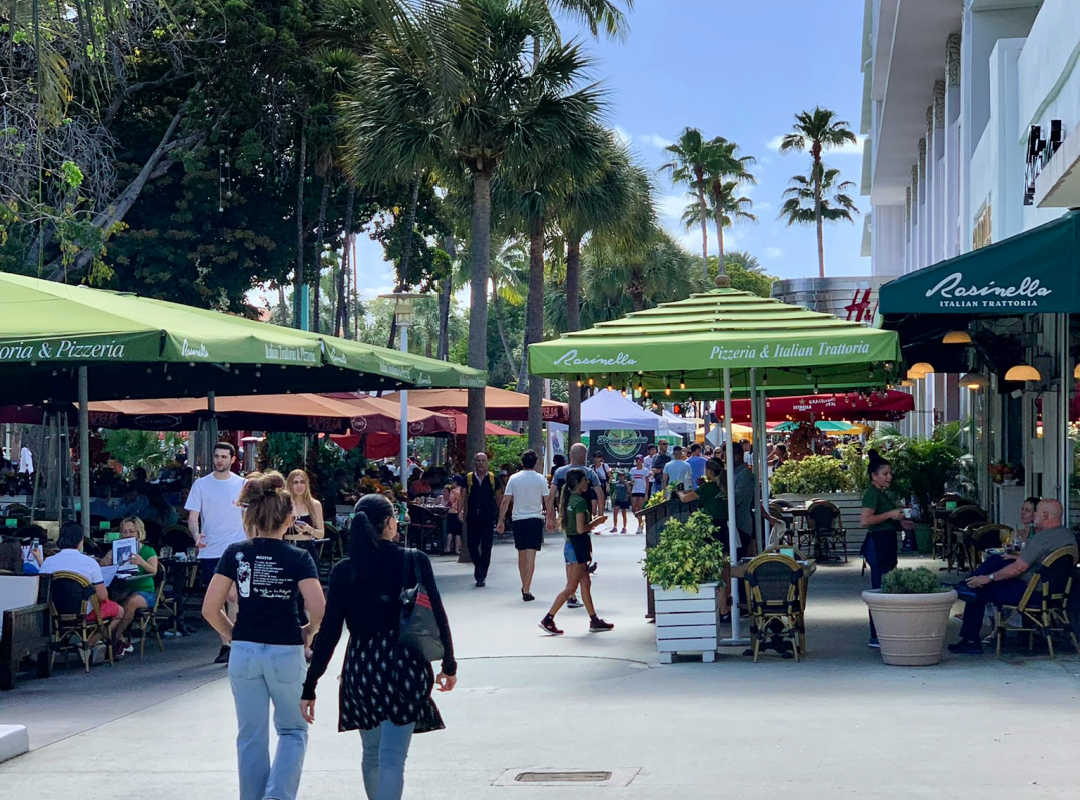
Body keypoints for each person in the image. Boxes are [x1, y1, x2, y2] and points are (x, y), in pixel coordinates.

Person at [301, 494, 456, 800]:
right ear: (388, 524)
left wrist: (310, 685)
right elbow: (437, 613)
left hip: (362, 667)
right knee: (392, 758)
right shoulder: (414, 560)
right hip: (405, 665)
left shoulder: (345, 570)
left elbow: (330, 632)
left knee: (371, 754)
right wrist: (448, 663)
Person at [202, 471, 325, 800]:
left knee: (250, 736)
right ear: (288, 520)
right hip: (286, 649)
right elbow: (318, 606)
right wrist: (308, 631)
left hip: (245, 650)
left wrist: (232, 637)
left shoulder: (236, 553)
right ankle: (278, 796)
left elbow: (210, 608)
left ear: (252, 515)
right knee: (292, 730)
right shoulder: (298, 557)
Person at [948, 498, 1077, 655]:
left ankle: (970, 640)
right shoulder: (1068, 536)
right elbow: (1053, 562)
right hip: (1055, 594)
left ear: (1045, 515)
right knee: (1000, 559)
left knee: (980, 589)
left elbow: (1018, 569)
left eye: (1036, 511)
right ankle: (967, 586)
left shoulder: (1041, 538)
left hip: (1031, 594)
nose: (1034, 514)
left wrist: (988, 578)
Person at [185, 441, 247, 664]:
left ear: (232, 459)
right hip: (210, 549)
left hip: (236, 548)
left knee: (234, 596)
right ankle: (226, 643)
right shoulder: (201, 485)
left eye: (224, 456)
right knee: (216, 599)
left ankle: (233, 643)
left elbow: (248, 516)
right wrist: (196, 535)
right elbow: (192, 516)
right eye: (217, 456)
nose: (219, 460)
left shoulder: (243, 484)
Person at [539, 469, 614, 635]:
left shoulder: (570, 500)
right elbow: (581, 529)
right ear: (579, 483)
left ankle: (594, 619)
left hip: (571, 545)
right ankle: (548, 618)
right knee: (571, 588)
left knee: (585, 583)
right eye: (585, 481)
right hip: (578, 545)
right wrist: (597, 522)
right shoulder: (579, 501)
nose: (587, 483)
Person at [40, 521, 123, 630]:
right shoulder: (90, 563)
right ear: (81, 541)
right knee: (120, 612)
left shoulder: (48, 562)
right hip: (84, 614)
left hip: (54, 613)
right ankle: (91, 643)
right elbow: (102, 596)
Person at [859, 450, 903, 648]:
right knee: (879, 588)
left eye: (890, 473)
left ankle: (884, 630)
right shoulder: (872, 494)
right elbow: (865, 521)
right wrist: (889, 515)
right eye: (884, 474)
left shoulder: (882, 494)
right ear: (874, 476)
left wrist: (901, 522)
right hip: (878, 543)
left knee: (887, 585)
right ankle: (876, 634)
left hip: (887, 540)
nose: (889, 477)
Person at [496, 449, 553, 602]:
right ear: (536, 463)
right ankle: (527, 587)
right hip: (535, 518)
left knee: (521, 554)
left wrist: (500, 520)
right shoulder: (541, 479)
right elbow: (547, 500)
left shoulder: (513, 478)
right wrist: (550, 518)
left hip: (518, 519)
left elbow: (505, 501)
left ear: (522, 462)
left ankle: (525, 585)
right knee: (531, 555)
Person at [551, 443, 604, 608]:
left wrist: (551, 516)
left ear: (570, 454)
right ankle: (555, 611)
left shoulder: (560, 472)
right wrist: (599, 515)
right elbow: (600, 493)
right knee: (577, 554)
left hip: (566, 517)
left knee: (572, 559)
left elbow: (551, 494)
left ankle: (577, 599)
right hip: (581, 518)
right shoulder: (588, 473)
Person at [98, 516, 159, 656]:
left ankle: (114, 639)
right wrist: (106, 561)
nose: (127, 535)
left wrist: (141, 562)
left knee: (130, 603)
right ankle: (116, 639)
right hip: (122, 589)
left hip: (145, 591)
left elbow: (154, 571)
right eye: (124, 532)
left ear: (139, 533)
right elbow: (101, 569)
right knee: (108, 602)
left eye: (131, 531)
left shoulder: (148, 550)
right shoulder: (116, 549)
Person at [461, 452, 498, 587]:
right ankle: (479, 566)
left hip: (488, 517)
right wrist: (461, 511)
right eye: (478, 460)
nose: (480, 463)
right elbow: (463, 496)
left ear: (487, 462)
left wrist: (500, 516)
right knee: (472, 545)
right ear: (474, 463)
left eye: (483, 461)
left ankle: (481, 575)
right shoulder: (469, 478)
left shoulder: (493, 479)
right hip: (472, 517)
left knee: (487, 546)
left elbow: (498, 497)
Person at [286, 469, 325, 540]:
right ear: (290, 485)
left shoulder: (315, 504)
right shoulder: (284, 504)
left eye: (302, 482)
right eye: (295, 482)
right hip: (288, 546)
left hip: (307, 546)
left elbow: (321, 534)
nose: (299, 485)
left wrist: (308, 529)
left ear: (306, 484)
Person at [629, 454, 650, 533]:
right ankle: (641, 522)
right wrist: (631, 483)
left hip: (642, 491)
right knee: (634, 509)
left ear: (642, 461)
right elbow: (631, 481)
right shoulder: (633, 470)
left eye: (640, 460)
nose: (638, 461)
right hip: (634, 491)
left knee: (640, 509)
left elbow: (647, 482)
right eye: (637, 460)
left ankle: (640, 526)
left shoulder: (645, 470)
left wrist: (646, 493)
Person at [445, 476, 465, 555]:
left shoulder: (453, 491)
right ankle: (457, 549)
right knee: (458, 532)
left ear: (456, 482)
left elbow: (450, 502)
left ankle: (448, 548)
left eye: (452, 482)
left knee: (450, 531)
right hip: (460, 513)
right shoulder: (462, 490)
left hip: (452, 512)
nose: (451, 483)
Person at [609, 470, 631, 534]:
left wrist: (627, 485)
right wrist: (611, 475)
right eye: (619, 475)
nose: (620, 477)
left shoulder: (626, 483)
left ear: (624, 476)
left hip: (624, 500)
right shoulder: (616, 483)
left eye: (622, 475)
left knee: (624, 514)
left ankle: (624, 528)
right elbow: (611, 483)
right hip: (617, 499)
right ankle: (615, 527)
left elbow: (629, 491)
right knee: (615, 513)